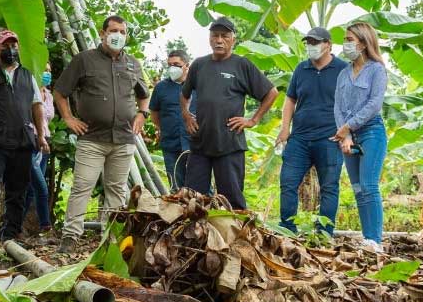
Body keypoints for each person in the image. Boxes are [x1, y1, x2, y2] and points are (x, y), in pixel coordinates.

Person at [54, 16, 149, 253]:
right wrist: (68, 118)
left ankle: (110, 239)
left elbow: (144, 95)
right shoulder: (84, 60)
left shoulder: (133, 64)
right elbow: (60, 92)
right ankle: (70, 237)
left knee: (116, 189)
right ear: (102, 33)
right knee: (81, 186)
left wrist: (142, 114)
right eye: (113, 30)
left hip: (123, 139)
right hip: (92, 139)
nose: (118, 35)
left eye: (123, 31)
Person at [181, 17, 279, 209]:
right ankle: (196, 237)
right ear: (209, 39)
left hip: (229, 142)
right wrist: (186, 115)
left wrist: (253, 120)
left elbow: (271, 92)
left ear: (233, 39)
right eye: (214, 35)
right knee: (193, 198)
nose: (219, 40)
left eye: (224, 36)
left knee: (232, 200)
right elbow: (184, 95)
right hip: (200, 142)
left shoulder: (242, 65)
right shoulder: (199, 65)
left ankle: (236, 237)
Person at [0, 30, 49, 247]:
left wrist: (41, 135)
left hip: (22, 140)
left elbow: (37, 106)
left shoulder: (26, 75)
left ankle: (11, 234)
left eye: (14, 46)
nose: (10, 50)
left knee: (18, 190)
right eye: (5, 46)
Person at [276, 28, 348, 236]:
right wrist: (284, 129)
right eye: (308, 42)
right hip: (299, 138)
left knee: (329, 187)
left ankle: (324, 234)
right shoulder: (301, 69)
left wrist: (347, 133)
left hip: (329, 139)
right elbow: (290, 100)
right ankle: (288, 229)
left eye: (315, 42)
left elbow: (350, 103)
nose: (311, 46)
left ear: (328, 45)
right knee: (288, 182)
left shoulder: (343, 69)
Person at [333, 22, 389, 253]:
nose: (345, 44)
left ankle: (375, 240)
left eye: (349, 40)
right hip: (348, 137)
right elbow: (337, 105)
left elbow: (374, 104)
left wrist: (348, 127)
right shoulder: (343, 73)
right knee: (357, 188)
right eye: (345, 40)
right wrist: (344, 135)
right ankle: (367, 239)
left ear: (364, 43)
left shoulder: (376, 70)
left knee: (368, 185)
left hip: (371, 132)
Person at [149, 50, 194, 191]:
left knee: (200, 187)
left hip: (195, 144)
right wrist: (165, 128)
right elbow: (154, 113)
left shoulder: (198, 86)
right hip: (171, 144)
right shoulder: (161, 88)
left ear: (187, 65)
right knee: (176, 187)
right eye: (169, 65)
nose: (172, 68)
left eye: (176, 64)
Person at [24, 70, 55, 234]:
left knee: (31, 189)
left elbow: (47, 119)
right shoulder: (27, 90)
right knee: (41, 188)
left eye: (49, 71)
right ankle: (46, 225)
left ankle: (14, 228)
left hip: (45, 143)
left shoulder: (49, 95)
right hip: (31, 140)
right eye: (44, 70)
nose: (47, 73)